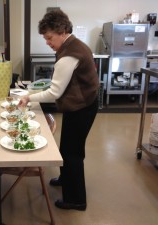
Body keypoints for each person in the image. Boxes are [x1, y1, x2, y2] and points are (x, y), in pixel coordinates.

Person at [18, 9, 99, 210]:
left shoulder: (69, 55)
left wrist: (28, 98)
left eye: (49, 37)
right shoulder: (73, 45)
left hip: (83, 107)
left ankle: (76, 200)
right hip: (83, 103)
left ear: (62, 31)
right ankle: (66, 179)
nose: (47, 42)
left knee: (72, 153)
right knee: (68, 148)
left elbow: (54, 92)